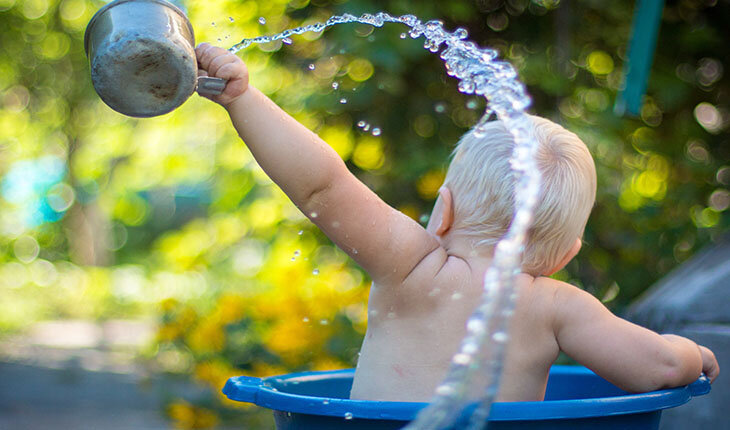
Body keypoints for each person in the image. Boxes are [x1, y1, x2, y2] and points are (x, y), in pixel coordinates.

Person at [194, 43, 719, 403]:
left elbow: (323, 186)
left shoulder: (410, 265)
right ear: (565, 256)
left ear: (441, 211)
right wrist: (692, 353)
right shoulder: (556, 306)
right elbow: (659, 369)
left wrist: (242, 97)